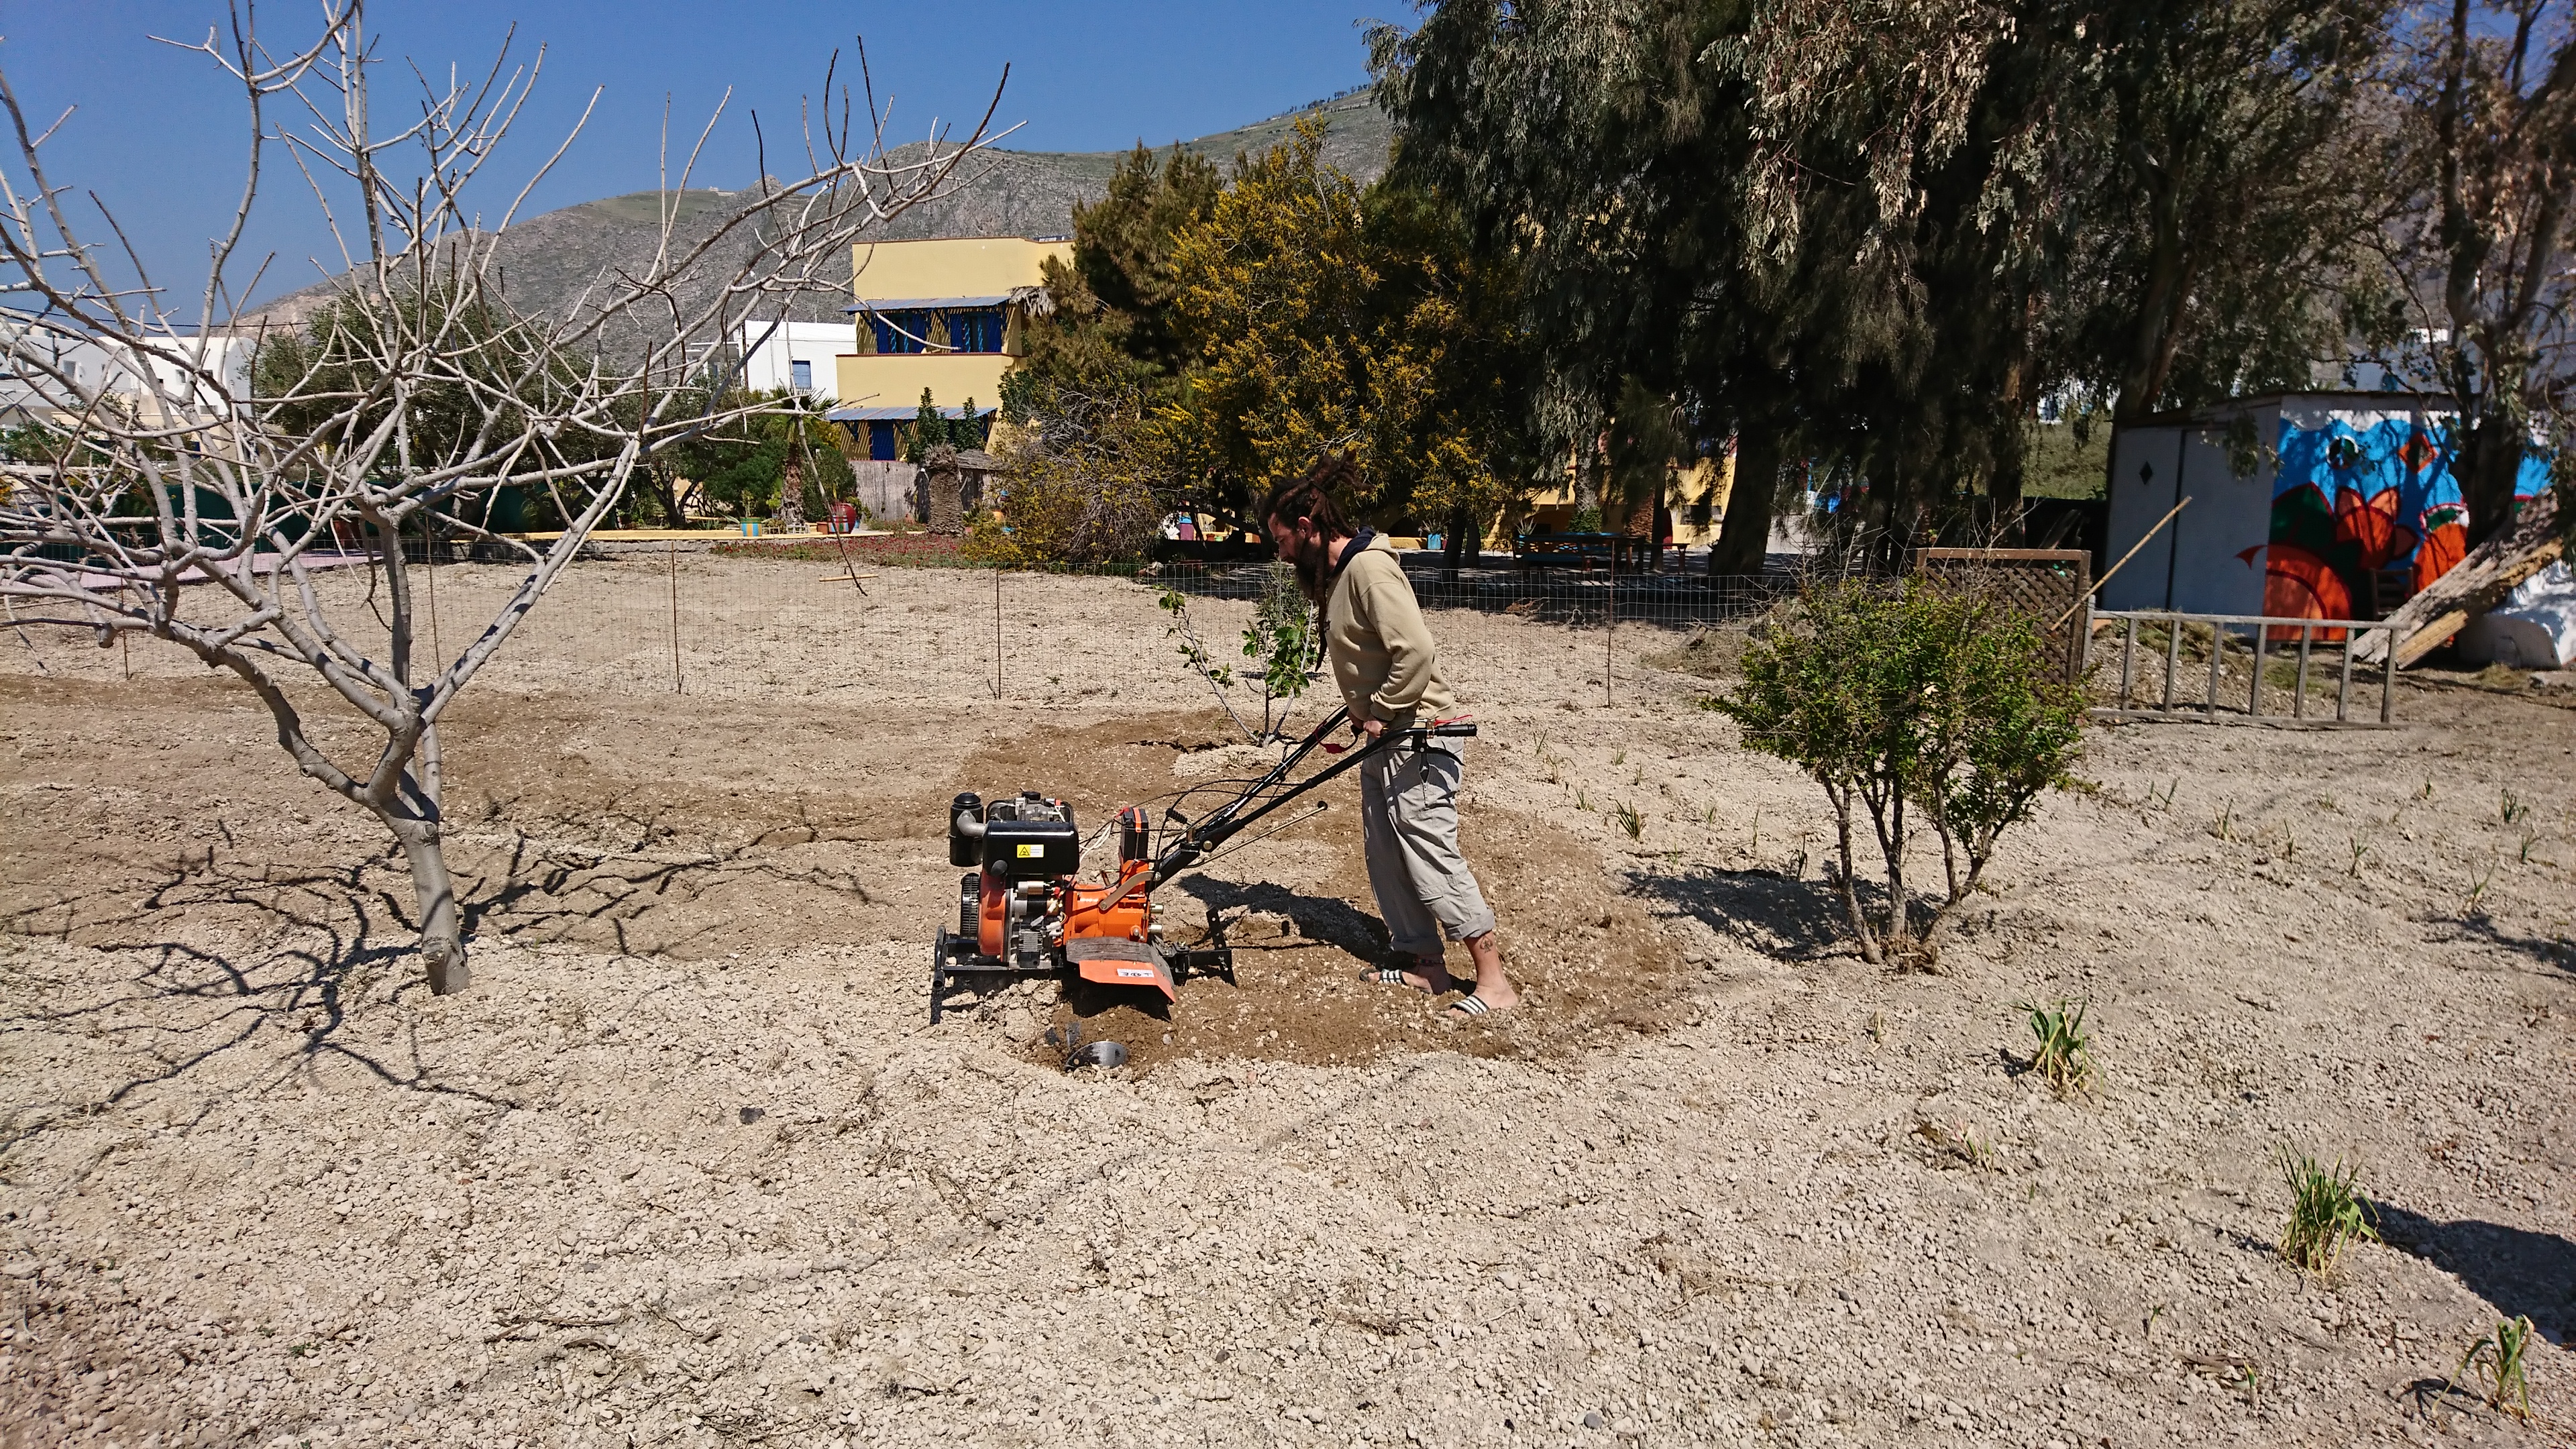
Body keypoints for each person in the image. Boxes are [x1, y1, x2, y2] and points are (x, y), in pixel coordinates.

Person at [1260, 455, 1519, 1018]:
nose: (1279, 554)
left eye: (1281, 540)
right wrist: (1364, 711)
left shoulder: (1370, 570)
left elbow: (1418, 652)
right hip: (1389, 737)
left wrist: (1379, 708)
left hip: (1420, 737)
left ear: (1307, 529)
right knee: (1386, 851)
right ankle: (1425, 963)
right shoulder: (1341, 576)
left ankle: (1494, 981)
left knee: (1428, 849)